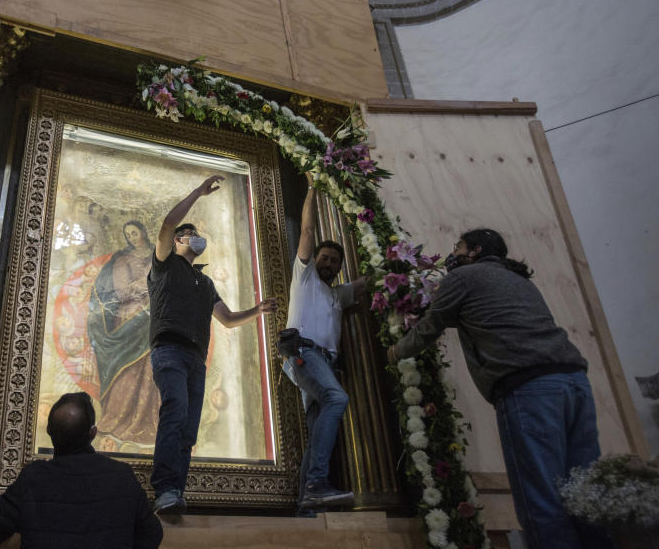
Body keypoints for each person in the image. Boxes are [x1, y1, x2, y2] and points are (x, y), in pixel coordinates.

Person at [387, 228, 610, 549]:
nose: (453, 253)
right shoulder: (519, 281)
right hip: (573, 380)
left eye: (458, 247)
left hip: (528, 387)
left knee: (541, 496)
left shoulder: (463, 278)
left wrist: (396, 351)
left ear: (475, 250)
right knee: (585, 491)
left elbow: (431, 325)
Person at [147, 174, 277, 513]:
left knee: (188, 429)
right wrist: (198, 193)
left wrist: (257, 311)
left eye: (195, 234)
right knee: (174, 408)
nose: (193, 238)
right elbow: (168, 222)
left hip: (195, 358)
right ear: (176, 242)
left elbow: (228, 319)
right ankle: (163, 489)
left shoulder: (204, 282)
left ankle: (175, 492)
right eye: (187, 235)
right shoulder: (164, 265)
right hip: (169, 350)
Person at [0, 392, 163, 549]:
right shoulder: (121, 476)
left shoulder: (35, 478)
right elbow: (152, 534)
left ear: (49, 431)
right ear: (93, 433)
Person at [282, 174, 367, 516]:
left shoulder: (338, 293)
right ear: (313, 258)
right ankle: (317, 485)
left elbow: (368, 282)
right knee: (336, 397)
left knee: (319, 428)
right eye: (325, 257)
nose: (329, 263)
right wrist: (313, 187)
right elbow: (306, 231)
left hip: (324, 363)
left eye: (335, 261)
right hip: (303, 352)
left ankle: (307, 504)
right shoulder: (304, 277)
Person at [88, 220, 159, 445]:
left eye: (135, 232)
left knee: (151, 369)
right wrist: (148, 284)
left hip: (155, 318)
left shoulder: (161, 256)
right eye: (128, 234)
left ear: (144, 232)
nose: (132, 237)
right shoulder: (122, 261)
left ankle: (148, 418)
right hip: (131, 318)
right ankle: (118, 417)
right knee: (128, 369)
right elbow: (121, 292)